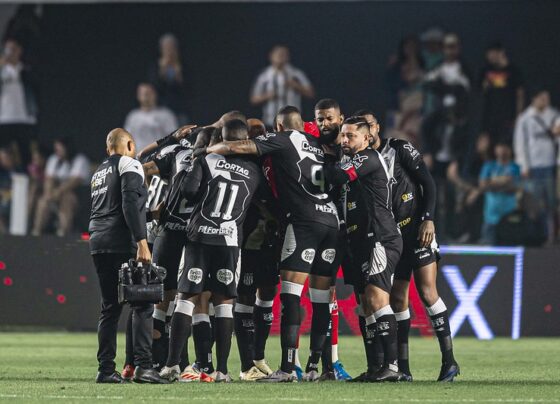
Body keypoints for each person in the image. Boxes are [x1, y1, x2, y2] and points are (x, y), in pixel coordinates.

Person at [201, 106, 339, 383]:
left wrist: (211, 148)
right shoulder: (316, 144)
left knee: (290, 295)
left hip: (303, 222)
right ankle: (318, 367)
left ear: (278, 127)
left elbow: (241, 147)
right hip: (332, 221)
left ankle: (287, 369)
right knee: (322, 298)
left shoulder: (283, 139)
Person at [356, 109, 460, 382]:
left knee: (427, 292)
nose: (367, 130)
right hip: (393, 236)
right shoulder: (363, 159)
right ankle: (403, 367)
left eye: (369, 124)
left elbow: (429, 183)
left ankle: (449, 360)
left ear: (376, 127)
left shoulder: (399, 148)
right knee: (399, 299)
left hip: (417, 231)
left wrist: (429, 219)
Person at [161, 119, 261, 383]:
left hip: (200, 237)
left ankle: (171, 366)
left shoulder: (207, 159)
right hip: (229, 241)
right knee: (225, 303)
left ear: (223, 138)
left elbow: (189, 191)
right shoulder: (254, 169)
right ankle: (222, 370)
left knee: (186, 298)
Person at [323, 117, 402, 382]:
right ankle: (375, 367)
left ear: (366, 138)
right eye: (343, 136)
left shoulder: (368, 157)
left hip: (380, 236)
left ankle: (392, 367)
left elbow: (337, 176)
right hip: (359, 241)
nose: (344, 141)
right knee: (365, 304)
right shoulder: (353, 159)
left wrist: (324, 158)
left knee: (378, 299)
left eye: (351, 136)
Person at [88, 128, 166, 384]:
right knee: (142, 304)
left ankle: (106, 369)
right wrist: (142, 242)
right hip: (123, 242)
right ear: (130, 144)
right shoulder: (130, 164)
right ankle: (144, 367)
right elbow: (129, 203)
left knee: (110, 307)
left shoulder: (99, 172)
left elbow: (111, 208)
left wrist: (151, 215)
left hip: (98, 241)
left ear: (107, 147)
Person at [313, 98, 352, 381]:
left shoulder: (350, 151)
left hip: (345, 231)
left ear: (341, 118)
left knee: (331, 295)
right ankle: (317, 363)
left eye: (328, 118)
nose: (324, 124)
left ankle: (331, 362)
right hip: (312, 228)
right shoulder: (311, 148)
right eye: (319, 119)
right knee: (318, 294)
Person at [513, 87, 560, 243]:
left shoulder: (553, 115)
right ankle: (534, 236)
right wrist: (524, 165)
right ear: (535, 98)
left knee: (551, 204)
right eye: (543, 98)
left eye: (547, 99)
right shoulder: (525, 118)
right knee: (534, 204)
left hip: (551, 166)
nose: (546, 102)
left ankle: (550, 236)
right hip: (533, 167)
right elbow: (520, 143)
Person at [31, 137, 90, 236]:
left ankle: (63, 232)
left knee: (67, 199)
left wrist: (57, 192)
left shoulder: (80, 160)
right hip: (56, 193)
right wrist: (49, 194)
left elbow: (74, 181)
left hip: (77, 194)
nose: (58, 152)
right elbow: (49, 179)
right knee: (43, 201)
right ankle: (37, 231)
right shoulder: (54, 159)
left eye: (60, 149)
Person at [250, 46, 315, 128]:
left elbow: (311, 93)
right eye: (278, 54)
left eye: (283, 54)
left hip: (293, 121)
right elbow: (254, 99)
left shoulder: (296, 74)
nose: (280, 57)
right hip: (270, 121)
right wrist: (267, 96)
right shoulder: (264, 76)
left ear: (288, 57)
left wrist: (296, 86)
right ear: (271, 56)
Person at [0, 38, 38, 166]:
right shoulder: (2, 70)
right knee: (4, 153)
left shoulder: (26, 70)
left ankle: (25, 181)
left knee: (25, 154)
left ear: (19, 51)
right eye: (7, 49)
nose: (10, 52)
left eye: (13, 49)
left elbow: (35, 89)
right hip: (3, 118)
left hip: (23, 118)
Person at [478, 42, 525, 146]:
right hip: (489, 119)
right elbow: (479, 93)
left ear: (501, 52)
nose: (490, 58)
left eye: (493, 54)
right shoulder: (486, 71)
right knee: (485, 148)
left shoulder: (514, 71)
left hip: (508, 118)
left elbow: (520, 94)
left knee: (504, 147)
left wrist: (518, 116)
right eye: (488, 55)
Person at [479, 143, 520, 244]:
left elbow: (514, 186)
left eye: (505, 147)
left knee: (508, 249)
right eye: (500, 147)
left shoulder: (515, 167)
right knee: (489, 249)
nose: (502, 150)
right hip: (491, 216)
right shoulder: (489, 166)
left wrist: (492, 182)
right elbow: (483, 185)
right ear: (495, 149)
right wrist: (503, 181)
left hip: (509, 216)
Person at [124, 83, 178, 152]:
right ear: (138, 96)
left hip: (159, 157)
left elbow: (173, 137)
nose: (146, 95)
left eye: (148, 93)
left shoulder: (166, 114)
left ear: (155, 94)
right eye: (143, 93)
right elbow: (127, 140)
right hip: (138, 157)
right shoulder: (133, 116)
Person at [148, 33, 188, 124]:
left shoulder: (183, 66)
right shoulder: (155, 67)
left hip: (179, 110)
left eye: (171, 47)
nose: (169, 50)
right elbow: (153, 87)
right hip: (160, 110)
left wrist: (178, 72)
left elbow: (188, 89)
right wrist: (162, 70)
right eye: (166, 47)